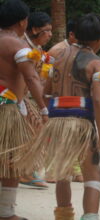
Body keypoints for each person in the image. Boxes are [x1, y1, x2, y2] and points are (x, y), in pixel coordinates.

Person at [15, 13, 100, 220]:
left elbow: (43, 90)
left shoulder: (58, 58)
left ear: (75, 34)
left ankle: (64, 217)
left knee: (63, 174)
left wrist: (47, 111)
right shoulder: (96, 63)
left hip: (57, 122)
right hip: (81, 123)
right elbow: (98, 101)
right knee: (92, 173)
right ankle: (90, 216)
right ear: (99, 39)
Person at [0, 0, 48, 219]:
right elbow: (30, 77)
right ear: (22, 21)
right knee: (11, 160)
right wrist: (43, 108)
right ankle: (6, 212)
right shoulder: (17, 46)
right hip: (6, 110)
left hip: (7, 106)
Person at [46, 18, 84, 183]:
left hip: (76, 101)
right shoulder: (57, 50)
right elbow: (47, 77)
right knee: (59, 137)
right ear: (72, 35)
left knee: (75, 136)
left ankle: (75, 169)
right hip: (58, 100)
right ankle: (52, 170)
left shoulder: (82, 52)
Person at [19, 11, 53, 188]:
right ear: (34, 29)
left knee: (36, 131)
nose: (50, 35)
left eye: (51, 30)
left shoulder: (37, 49)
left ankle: (27, 169)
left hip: (26, 98)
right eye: (46, 30)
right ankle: (24, 171)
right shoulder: (22, 46)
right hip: (14, 98)